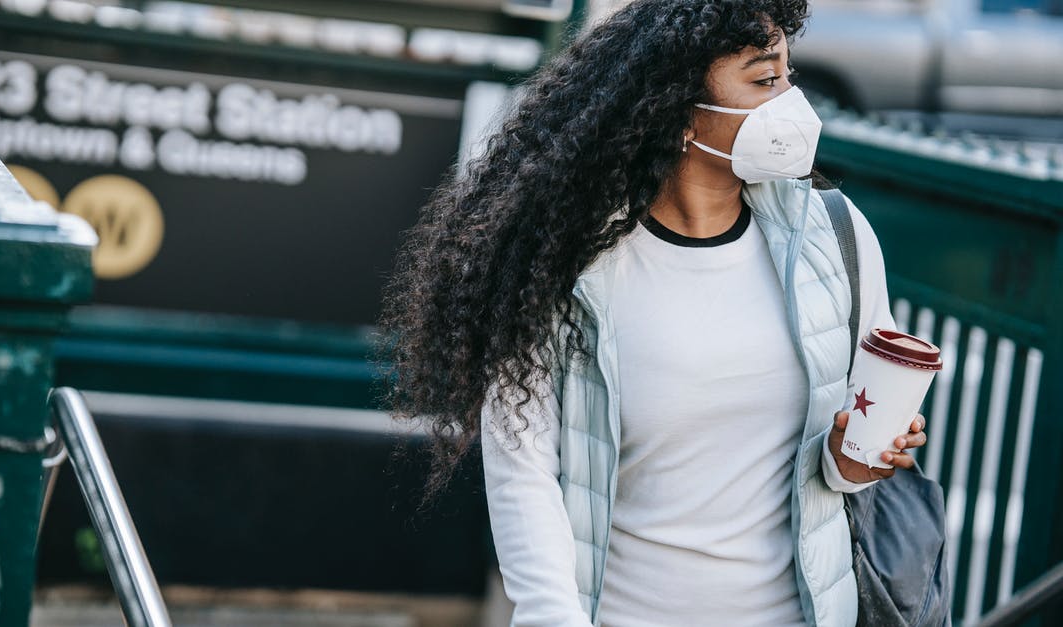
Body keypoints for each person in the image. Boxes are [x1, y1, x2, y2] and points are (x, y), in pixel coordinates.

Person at [378, 1, 930, 625]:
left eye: (788, 76)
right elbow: (524, 479)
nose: (792, 104)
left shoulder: (837, 237)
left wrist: (856, 455)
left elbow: (844, 472)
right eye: (764, 79)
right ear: (677, 113)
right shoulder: (559, 265)